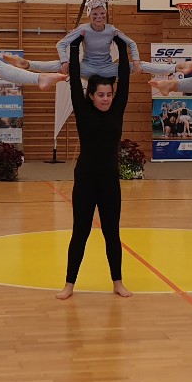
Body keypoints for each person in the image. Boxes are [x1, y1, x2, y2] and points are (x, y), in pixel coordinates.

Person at [56, 33, 132, 300]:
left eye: (109, 94)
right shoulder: (83, 108)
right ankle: (69, 284)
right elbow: (74, 79)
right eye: (101, 94)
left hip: (110, 181)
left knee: (112, 233)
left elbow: (125, 78)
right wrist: (76, 45)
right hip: (86, 181)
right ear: (90, 96)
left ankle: (118, 282)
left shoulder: (117, 109)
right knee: (80, 232)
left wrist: (120, 45)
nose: (106, 98)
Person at [3, 0, 192, 79]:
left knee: (141, 65)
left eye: (102, 14)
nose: (99, 18)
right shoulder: (83, 29)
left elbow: (132, 43)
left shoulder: (111, 29)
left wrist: (135, 61)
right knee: (58, 65)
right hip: (87, 68)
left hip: (108, 69)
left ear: (105, 15)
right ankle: (26, 64)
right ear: (90, 16)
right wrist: (64, 60)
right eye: (95, 15)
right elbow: (60, 44)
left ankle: (177, 67)